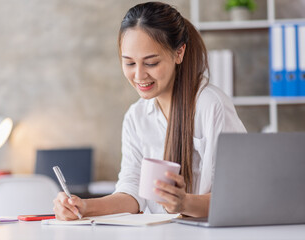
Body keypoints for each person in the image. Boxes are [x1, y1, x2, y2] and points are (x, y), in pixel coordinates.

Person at [53, 2, 246, 220]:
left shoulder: (210, 105)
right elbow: (132, 193)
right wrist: (83, 207)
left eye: (151, 63)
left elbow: (238, 195)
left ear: (179, 52)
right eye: (129, 63)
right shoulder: (136, 117)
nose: (139, 75)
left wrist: (185, 203)